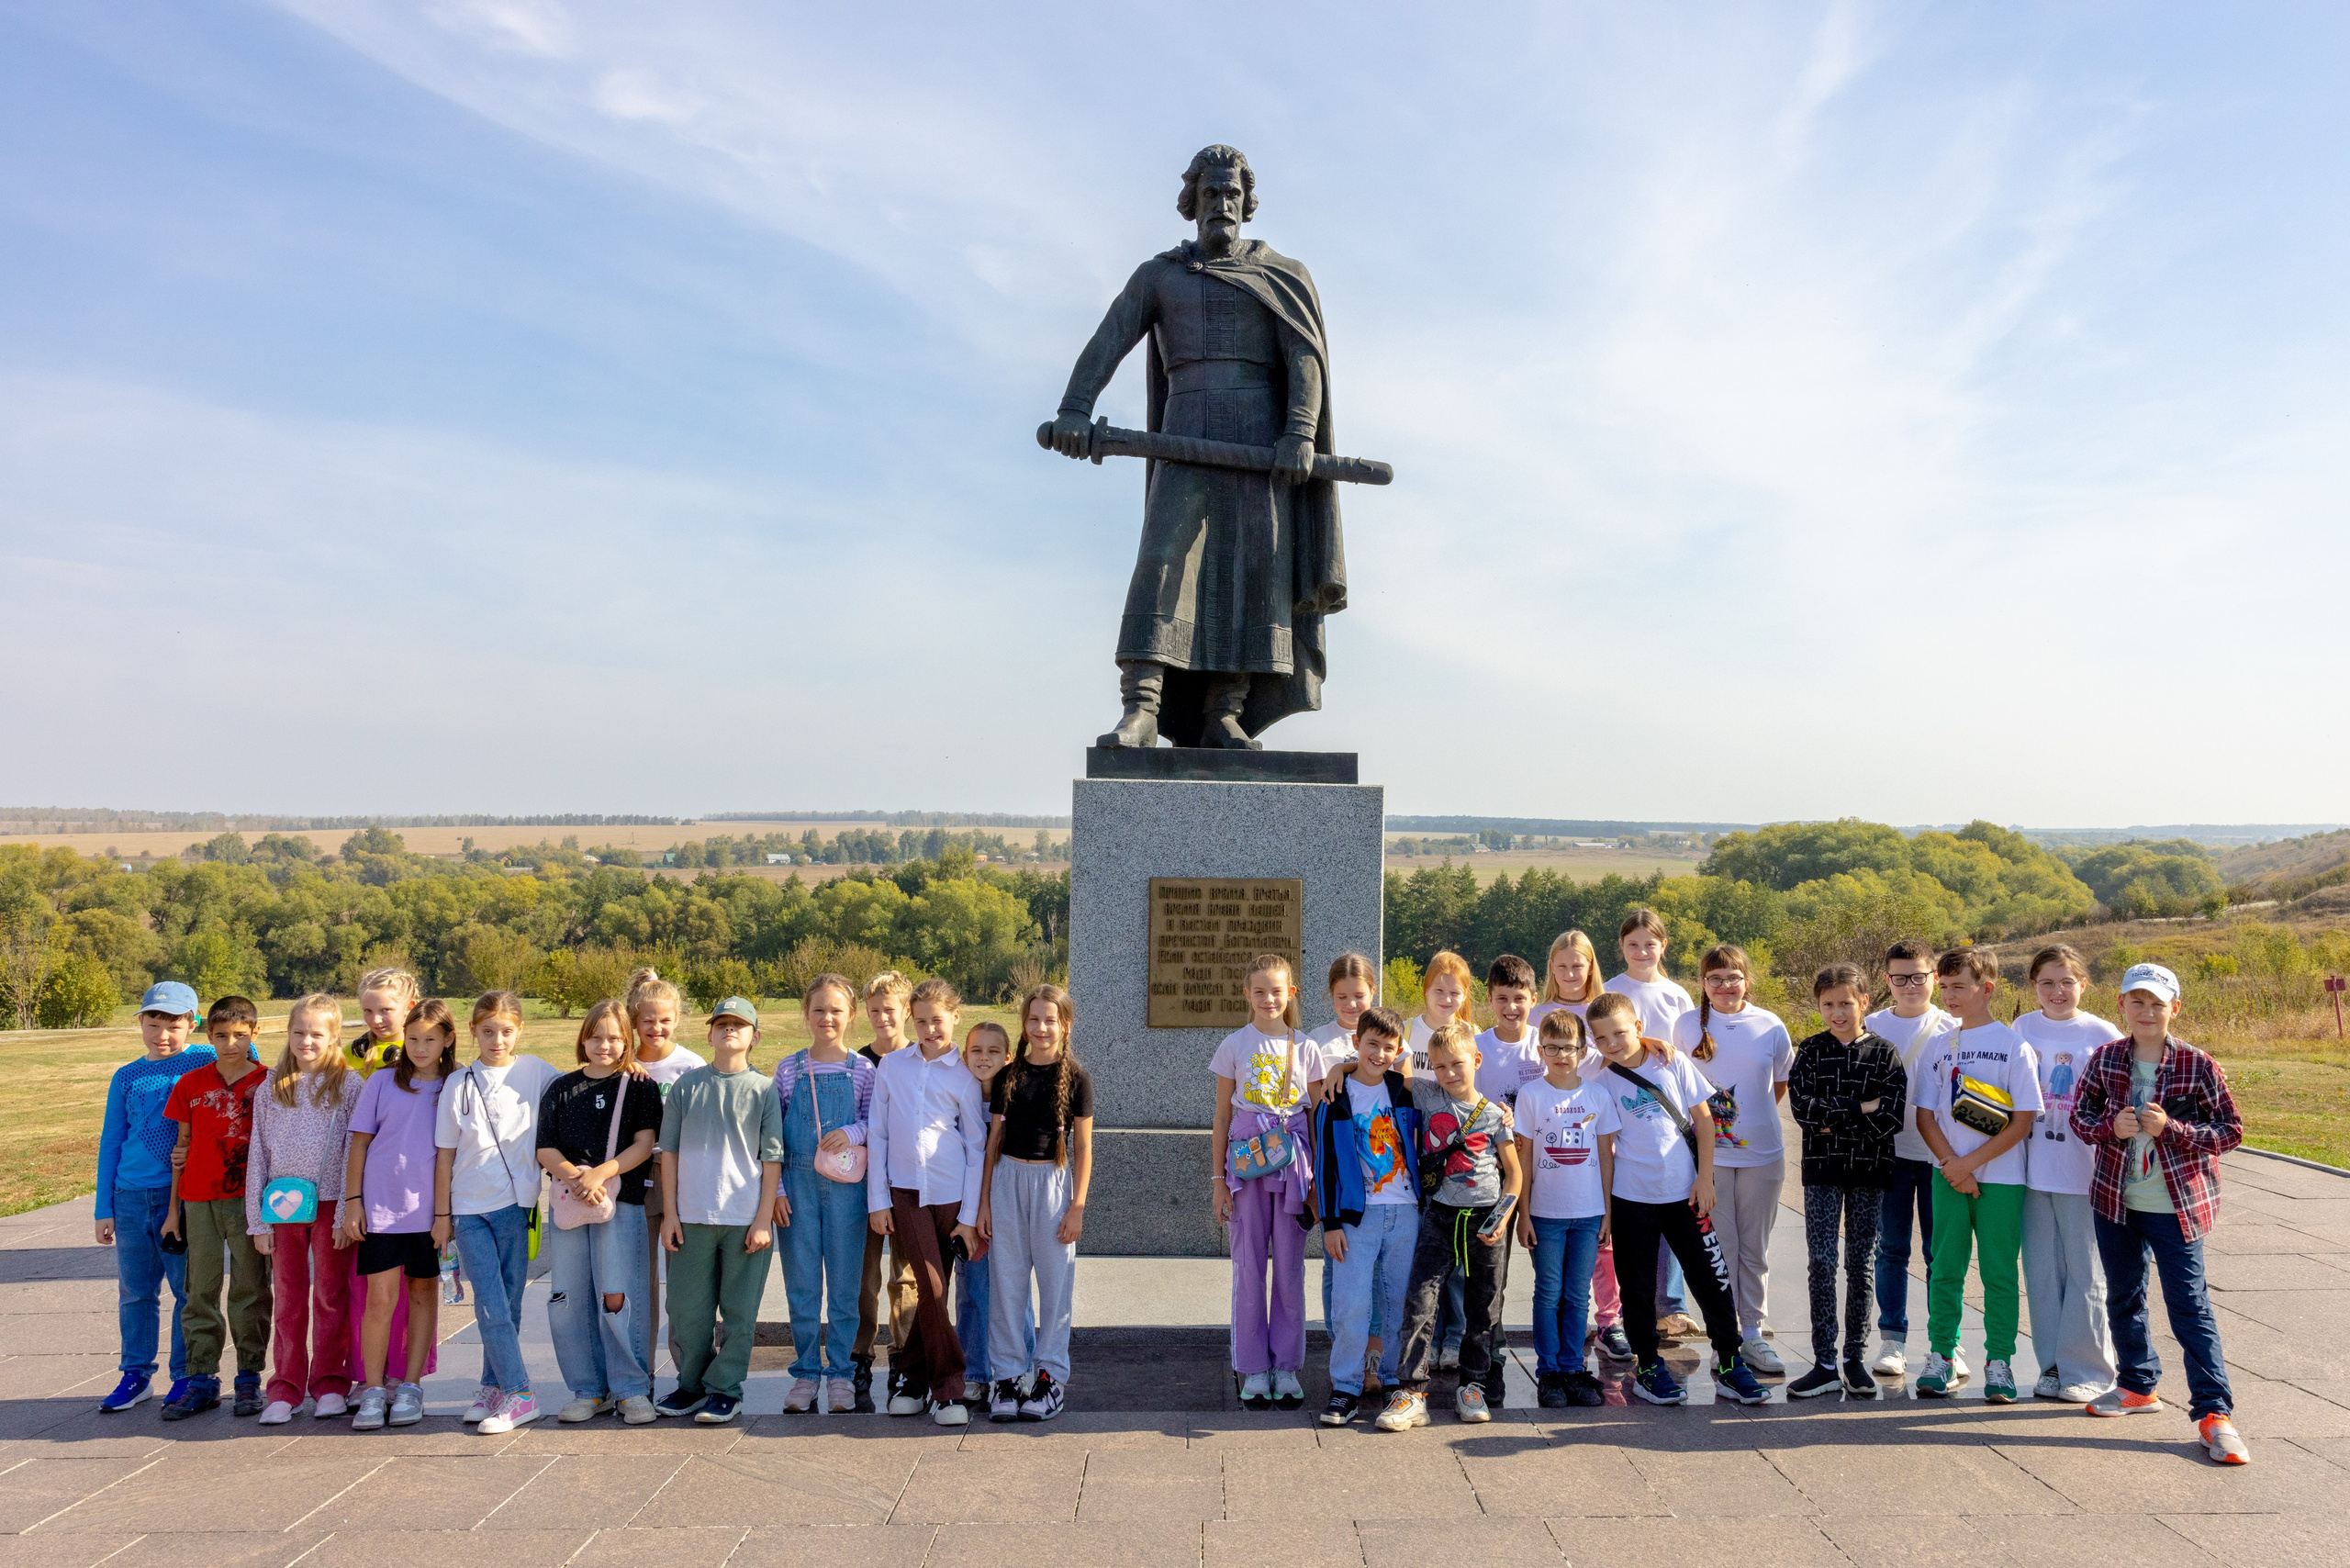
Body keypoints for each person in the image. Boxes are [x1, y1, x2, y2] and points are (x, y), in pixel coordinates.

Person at [2069, 962, 2246, 1462]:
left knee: (2189, 1304)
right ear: (2122, 1005)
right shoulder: (2106, 1058)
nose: (2147, 1012)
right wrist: (2110, 1127)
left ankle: (2214, 1413)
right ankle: (2137, 1384)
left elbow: (2231, 1131)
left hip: (2177, 1206)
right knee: (2124, 1296)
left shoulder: (2198, 1064)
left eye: (2157, 1004)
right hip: (2116, 1201)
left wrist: (2175, 1130)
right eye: (2138, 1002)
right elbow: (2080, 1117)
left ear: (2175, 1008)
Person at [1586, 991, 1768, 1407]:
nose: (1612, 1044)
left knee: (1712, 1280)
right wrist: (1608, 1210)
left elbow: (1703, 1120)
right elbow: (1605, 1151)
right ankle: (1649, 1366)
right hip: (1631, 1199)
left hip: (1686, 1195)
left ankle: (1730, 1362)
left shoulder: (1672, 1062)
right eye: (1601, 1038)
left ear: (1638, 1028)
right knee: (1637, 1289)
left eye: (1620, 1033)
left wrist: (1705, 1179)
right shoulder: (1601, 1081)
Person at [1373, 1023, 1522, 1429]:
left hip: (1484, 1220)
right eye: (1440, 1066)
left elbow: (1514, 1175)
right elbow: (1385, 1071)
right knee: (1420, 1302)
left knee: (1483, 1308)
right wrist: (1339, 1068)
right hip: (1439, 1216)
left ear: (1477, 1060)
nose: (1449, 1073)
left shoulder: (1495, 1115)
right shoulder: (1426, 1095)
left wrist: (1501, 1218)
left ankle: (1472, 1386)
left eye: (1457, 1063)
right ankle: (1411, 1391)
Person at [1912, 948, 2042, 1402]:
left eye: (1959, 987)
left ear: (1986, 989)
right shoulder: (1938, 1044)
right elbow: (1925, 1116)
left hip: (2002, 1179)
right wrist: (1953, 1165)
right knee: (1945, 1268)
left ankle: (2000, 1361)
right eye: (1944, 987)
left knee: (1999, 1273)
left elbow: (2023, 1121)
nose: (1949, 996)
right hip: (1947, 1176)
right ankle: (1941, 1356)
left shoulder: (2013, 1045)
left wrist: (1968, 1165)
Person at [1210, 953, 1332, 1410]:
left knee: (1289, 1268)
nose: (1268, 999)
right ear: (1247, 994)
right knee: (1248, 1268)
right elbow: (1222, 1116)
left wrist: (1317, 1182)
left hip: (1292, 1166)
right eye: (1259, 991)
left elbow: (1316, 1119)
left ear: (1291, 993)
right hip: (1245, 1168)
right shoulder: (1233, 1045)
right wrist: (1218, 1179)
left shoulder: (1307, 1048)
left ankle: (1286, 1366)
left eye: (1277, 991)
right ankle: (1253, 1367)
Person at [867, 977, 989, 1425]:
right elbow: (878, 1134)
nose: (930, 1029)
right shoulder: (892, 1067)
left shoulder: (964, 1074)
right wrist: (878, 1201)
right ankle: (950, 1389)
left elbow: (975, 1147)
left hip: (952, 1200)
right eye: (921, 1022)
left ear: (955, 1017)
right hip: (906, 1195)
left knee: (936, 1291)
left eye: (937, 1020)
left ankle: (912, 1379)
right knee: (932, 1288)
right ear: (910, 1020)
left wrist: (969, 1217)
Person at [433, 991, 556, 1435]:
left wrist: (629, 1067)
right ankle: (521, 1393)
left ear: (519, 1030)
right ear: (473, 1031)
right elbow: (445, 1155)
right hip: (468, 1210)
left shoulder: (537, 1071)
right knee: (488, 1302)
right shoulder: (458, 1083)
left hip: (515, 1207)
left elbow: (585, 1082)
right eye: (487, 1031)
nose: (497, 1040)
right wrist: (442, 1216)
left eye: (506, 1031)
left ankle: (493, 1386)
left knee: (509, 1303)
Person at [655, 995, 782, 1425]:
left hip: (745, 1220)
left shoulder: (764, 1089)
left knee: (739, 1312)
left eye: (739, 1024)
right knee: (686, 1310)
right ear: (709, 1034)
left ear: (754, 1037)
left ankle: (726, 1389)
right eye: (721, 1023)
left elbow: (772, 1158)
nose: (730, 1029)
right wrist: (670, 1214)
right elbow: (669, 1153)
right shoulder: (687, 1087)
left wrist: (763, 1218)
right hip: (692, 1217)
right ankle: (691, 1385)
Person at [538, 1000, 664, 1426]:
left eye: (613, 1037)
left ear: (627, 1040)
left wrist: (601, 1174)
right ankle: (589, 1389)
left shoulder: (640, 1086)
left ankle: (631, 1388)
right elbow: (545, 1147)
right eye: (595, 1037)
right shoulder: (561, 1087)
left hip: (620, 1201)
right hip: (570, 1201)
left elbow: (644, 1144)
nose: (604, 1045)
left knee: (618, 1293)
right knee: (569, 1295)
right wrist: (577, 1177)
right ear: (583, 1039)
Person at [95, 981, 218, 1415]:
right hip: (128, 1196)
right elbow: (111, 1141)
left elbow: (247, 1053)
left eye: (173, 1025)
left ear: (193, 1024)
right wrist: (103, 1208)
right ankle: (136, 1374)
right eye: (152, 1024)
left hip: (180, 1197)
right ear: (141, 1023)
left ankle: (187, 1375)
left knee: (187, 1290)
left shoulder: (205, 1060)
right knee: (135, 1291)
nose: (162, 1035)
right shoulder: (125, 1076)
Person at [1672, 945, 1795, 1377]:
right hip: (1710, 1160)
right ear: (1703, 983)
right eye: (1715, 978)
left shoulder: (1770, 1024)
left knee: (1754, 1248)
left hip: (1763, 1155)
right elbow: (1676, 1083)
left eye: (1733, 977)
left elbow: (1779, 1083)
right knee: (1719, 1249)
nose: (1725, 986)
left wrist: (1747, 1124)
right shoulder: (1687, 1025)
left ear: (1747, 980)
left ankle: (1754, 1333)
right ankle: (1724, 1337)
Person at [1784, 964, 1906, 1399]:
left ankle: (1854, 1358)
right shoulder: (1811, 1050)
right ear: (1818, 1006)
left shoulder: (1885, 1053)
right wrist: (1861, 1107)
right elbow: (1804, 1112)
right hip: (1822, 1170)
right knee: (1821, 1260)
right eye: (1828, 1004)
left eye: (1846, 1003)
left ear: (1864, 1002)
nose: (1837, 1012)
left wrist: (1833, 1118)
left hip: (1870, 1170)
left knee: (1861, 1262)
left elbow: (1891, 1116)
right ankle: (1824, 1362)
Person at [340, 997, 458, 1430]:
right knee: (380, 1300)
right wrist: (353, 1202)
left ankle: (410, 1386)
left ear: (448, 1040)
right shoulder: (381, 1081)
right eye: (412, 1039)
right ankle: (373, 1389)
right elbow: (359, 1144)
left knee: (423, 1296)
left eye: (430, 1040)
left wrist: (444, 1217)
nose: (420, 1048)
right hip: (383, 1210)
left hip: (432, 1215)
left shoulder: (457, 1084)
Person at [979, 983, 1092, 1423]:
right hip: (1008, 1181)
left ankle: (1049, 1379)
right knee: (1006, 1286)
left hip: (1053, 1185)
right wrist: (984, 1204)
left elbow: (1084, 1147)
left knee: (1055, 1288)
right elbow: (993, 1141)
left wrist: (1077, 1207)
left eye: (1050, 1019)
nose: (1041, 1027)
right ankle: (1008, 1377)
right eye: (1033, 1019)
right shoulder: (1008, 1076)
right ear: (1023, 1024)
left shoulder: (1077, 1078)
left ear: (1065, 1025)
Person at [246, 993, 361, 1423]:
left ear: (333, 1037)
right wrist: (258, 1221)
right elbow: (258, 1152)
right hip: (281, 1208)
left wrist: (344, 1213)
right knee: (289, 1297)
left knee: (330, 1295)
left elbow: (353, 1151)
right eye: (298, 1032)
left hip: (329, 1206)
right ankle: (286, 1387)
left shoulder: (349, 1085)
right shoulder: (272, 1086)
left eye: (316, 1034)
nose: (306, 1041)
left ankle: (330, 1383)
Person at [2014, 944, 2121, 1404]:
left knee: (2086, 1273)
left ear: (2083, 984)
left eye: (2066, 982)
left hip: (2083, 1172)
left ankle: (2091, 1370)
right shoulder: (2021, 1028)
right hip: (2030, 1172)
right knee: (2041, 1273)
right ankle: (2053, 1366)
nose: (2057, 991)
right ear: (2033, 985)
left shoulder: (2102, 1033)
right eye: (2047, 983)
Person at [158, 994, 270, 1419]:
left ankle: (249, 1377)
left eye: (240, 1035)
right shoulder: (191, 1084)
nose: (230, 1044)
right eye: (221, 1036)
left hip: (248, 1199)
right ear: (208, 1035)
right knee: (199, 1290)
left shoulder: (269, 1082)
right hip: (198, 1199)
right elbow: (181, 1148)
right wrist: (173, 1211)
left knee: (250, 1288)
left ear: (255, 1033)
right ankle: (201, 1377)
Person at [1313, 1005, 1420, 1425]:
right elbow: (1325, 1165)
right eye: (1371, 1044)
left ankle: (1392, 1378)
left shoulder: (1404, 1091)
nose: (1379, 1054)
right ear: (1356, 1042)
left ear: (1398, 1051)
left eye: (1388, 1048)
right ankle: (1346, 1386)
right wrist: (1330, 1223)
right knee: (1351, 1303)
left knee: (1396, 1301)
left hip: (1405, 1212)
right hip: (1356, 1218)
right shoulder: (1335, 1097)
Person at [771, 974, 873, 1416]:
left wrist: (851, 1132)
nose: (827, 1018)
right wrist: (776, 1190)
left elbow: (875, 1122)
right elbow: (772, 1137)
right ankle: (806, 1374)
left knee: (846, 1287)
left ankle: (841, 1375)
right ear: (806, 1013)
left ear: (851, 1015)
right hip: (797, 1188)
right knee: (802, 1286)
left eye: (836, 1010)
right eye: (818, 1010)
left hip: (848, 1188)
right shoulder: (788, 1068)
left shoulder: (863, 1070)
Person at [1532, 929, 1629, 1362]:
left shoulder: (1602, 1009)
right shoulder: (1537, 1014)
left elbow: (1627, 1043)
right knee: (1553, 1275)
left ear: (1591, 967)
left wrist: (1652, 1043)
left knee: (1601, 1250)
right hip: (1549, 1136)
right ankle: (1557, 1349)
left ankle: (1610, 1321)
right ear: (1551, 968)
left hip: (1595, 1128)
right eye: (1562, 965)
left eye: (1579, 965)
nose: (1571, 973)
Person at [1514, 1008, 1618, 1409]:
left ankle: (1574, 1368)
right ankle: (1549, 1372)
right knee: (1548, 1292)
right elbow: (1524, 1159)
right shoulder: (1531, 1095)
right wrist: (1524, 1213)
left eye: (1569, 1048)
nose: (1561, 1055)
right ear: (1540, 1050)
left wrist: (1608, 1213)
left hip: (1588, 1213)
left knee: (1577, 1295)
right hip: (1545, 1214)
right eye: (1552, 1048)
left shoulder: (1597, 1095)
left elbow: (1606, 1157)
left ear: (1583, 1050)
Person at [1605, 909, 1700, 1340]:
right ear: (1621, 947)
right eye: (1633, 944)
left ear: (1664, 945)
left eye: (1650, 944)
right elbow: (1604, 1042)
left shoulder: (1677, 995)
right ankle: (1634, 1307)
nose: (1641, 951)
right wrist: (1643, 1042)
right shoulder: (1611, 989)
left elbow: (1685, 1053)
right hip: (1625, 1106)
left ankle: (1672, 1305)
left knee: (1675, 1206)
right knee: (1636, 1217)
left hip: (1671, 1114)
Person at [1866, 939, 1954, 1382]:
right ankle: (1892, 1339)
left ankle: (1946, 1345)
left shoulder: (1955, 1025)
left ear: (1934, 977)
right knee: (1891, 1250)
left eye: (1918, 976)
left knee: (1942, 1254)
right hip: (1890, 1154)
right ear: (1887, 980)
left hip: (1943, 1157)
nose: (1910, 986)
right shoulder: (1870, 1025)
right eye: (1900, 978)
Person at [344, 967, 436, 1390]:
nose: (376, 1019)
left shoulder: (426, 1057)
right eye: (368, 1011)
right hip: (371, 1187)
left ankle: (406, 1375)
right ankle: (369, 1377)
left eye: (385, 1010)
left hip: (420, 1195)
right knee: (371, 1295)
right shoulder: (353, 1054)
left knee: (417, 1292)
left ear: (410, 1008)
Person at [1461, 954, 1544, 1409]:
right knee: (1492, 1276)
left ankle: (1558, 1362)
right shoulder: (1477, 1045)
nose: (1511, 1007)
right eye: (1502, 999)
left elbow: (1605, 1058)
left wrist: (1650, 1041)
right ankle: (1489, 1360)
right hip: (1491, 1178)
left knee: (1552, 1278)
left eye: (1519, 999)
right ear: (1489, 1000)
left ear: (1534, 998)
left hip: (1547, 1173)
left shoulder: (1546, 1042)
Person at [626, 969, 704, 1387]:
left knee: (683, 1284)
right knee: (637, 1282)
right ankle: (636, 1374)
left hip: (680, 1178)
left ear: (677, 1019)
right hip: (633, 1179)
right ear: (633, 1021)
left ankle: (689, 1373)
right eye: (647, 1020)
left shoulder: (691, 1066)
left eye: (665, 1020)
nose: (656, 1028)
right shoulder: (623, 1064)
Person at [849, 969, 920, 1414]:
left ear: (906, 1011)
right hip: (865, 1184)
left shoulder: (918, 1059)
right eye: (874, 1010)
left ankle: (904, 1357)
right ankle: (859, 1355)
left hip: (909, 1183)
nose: (882, 1018)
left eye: (889, 1009)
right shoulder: (858, 1063)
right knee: (865, 1277)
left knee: (905, 1276)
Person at [1308, 952, 1381, 1381]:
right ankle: (1342, 1346)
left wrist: (1346, 1065)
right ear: (1329, 996)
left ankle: (1373, 1353)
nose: (1352, 1004)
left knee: (1376, 1269)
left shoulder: (1384, 1032)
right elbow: (1313, 1110)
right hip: (1336, 1169)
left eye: (1359, 995)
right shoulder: (1315, 1042)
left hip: (1381, 1171)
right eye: (1342, 997)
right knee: (1336, 1261)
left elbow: (1395, 1069)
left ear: (1373, 992)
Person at [958, 1021, 1024, 1414]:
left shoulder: (1017, 1098)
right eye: (976, 1050)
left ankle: (1017, 1369)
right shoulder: (956, 1096)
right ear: (964, 1055)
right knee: (972, 1288)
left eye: (993, 1051)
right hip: (969, 1211)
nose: (984, 1058)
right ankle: (975, 1371)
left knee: (1014, 1289)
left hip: (1010, 1204)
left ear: (1008, 1057)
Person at [1405, 950, 1474, 1073]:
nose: (1446, 999)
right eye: (1439, 990)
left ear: (1464, 995)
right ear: (1427, 989)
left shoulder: (1474, 1035)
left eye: (1454, 993)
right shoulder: (1403, 1032)